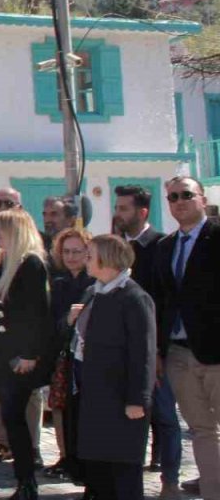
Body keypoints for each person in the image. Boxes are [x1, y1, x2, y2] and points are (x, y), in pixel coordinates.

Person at [72, 235, 156, 500]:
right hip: (94, 396)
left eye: (90, 254)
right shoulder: (93, 291)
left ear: (106, 258)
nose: (85, 259)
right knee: (99, 473)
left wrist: (137, 399)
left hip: (121, 399)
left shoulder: (134, 297)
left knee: (123, 474)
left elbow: (143, 353)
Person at [154, 176, 220, 500]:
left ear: (202, 199)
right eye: (172, 197)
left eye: (186, 195)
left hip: (216, 353)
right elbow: (162, 300)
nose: (179, 201)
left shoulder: (217, 235)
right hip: (179, 353)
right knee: (201, 431)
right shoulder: (165, 247)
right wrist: (158, 351)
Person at [115, 184, 180, 498]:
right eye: (117, 207)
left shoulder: (161, 246)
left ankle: (170, 482)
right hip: (123, 349)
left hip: (156, 349)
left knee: (165, 417)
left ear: (142, 212)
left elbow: (166, 301)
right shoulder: (115, 248)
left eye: (124, 208)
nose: (118, 214)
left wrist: (158, 350)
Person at [0, 208, 53, 500]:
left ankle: (27, 483)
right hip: (2, 356)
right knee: (11, 419)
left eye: (1, 229)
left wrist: (29, 354)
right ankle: (24, 480)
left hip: (20, 359)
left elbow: (37, 314)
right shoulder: (2, 263)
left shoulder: (31, 265)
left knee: (16, 418)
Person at [43, 227, 94, 482]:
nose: (71, 257)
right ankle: (68, 458)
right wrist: (67, 320)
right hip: (64, 356)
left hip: (90, 359)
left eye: (77, 251)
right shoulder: (59, 284)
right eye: (66, 252)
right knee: (63, 410)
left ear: (88, 252)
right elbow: (52, 323)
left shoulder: (95, 282)